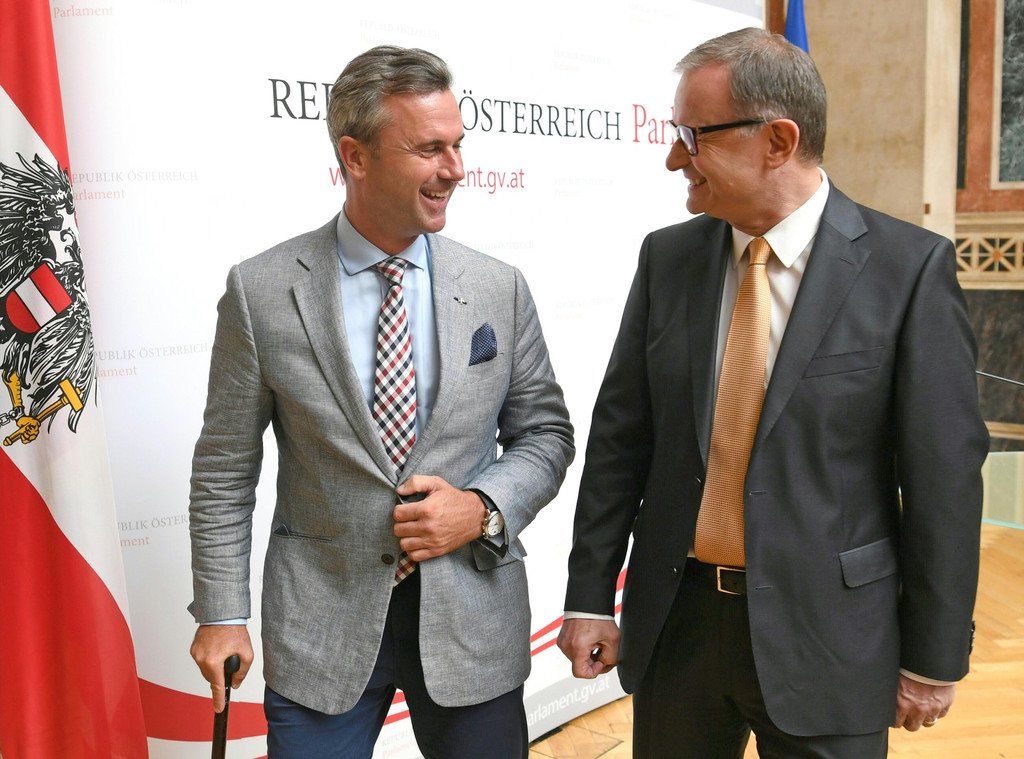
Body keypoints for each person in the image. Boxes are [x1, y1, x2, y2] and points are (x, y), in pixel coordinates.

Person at [558, 27, 988, 759]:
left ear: (778, 141)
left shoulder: (907, 271)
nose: (673, 159)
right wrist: (590, 595)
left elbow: (943, 481)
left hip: (832, 640)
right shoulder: (667, 259)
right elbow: (622, 441)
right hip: (678, 627)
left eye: (693, 136)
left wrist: (933, 655)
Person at [188, 45, 574, 759]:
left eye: (458, 145)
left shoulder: (498, 287)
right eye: (429, 149)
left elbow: (545, 434)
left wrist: (482, 507)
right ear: (355, 157)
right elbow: (223, 470)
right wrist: (220, 613)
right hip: (320, 628)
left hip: (473, 625)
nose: (455, 169)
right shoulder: (261, 291)